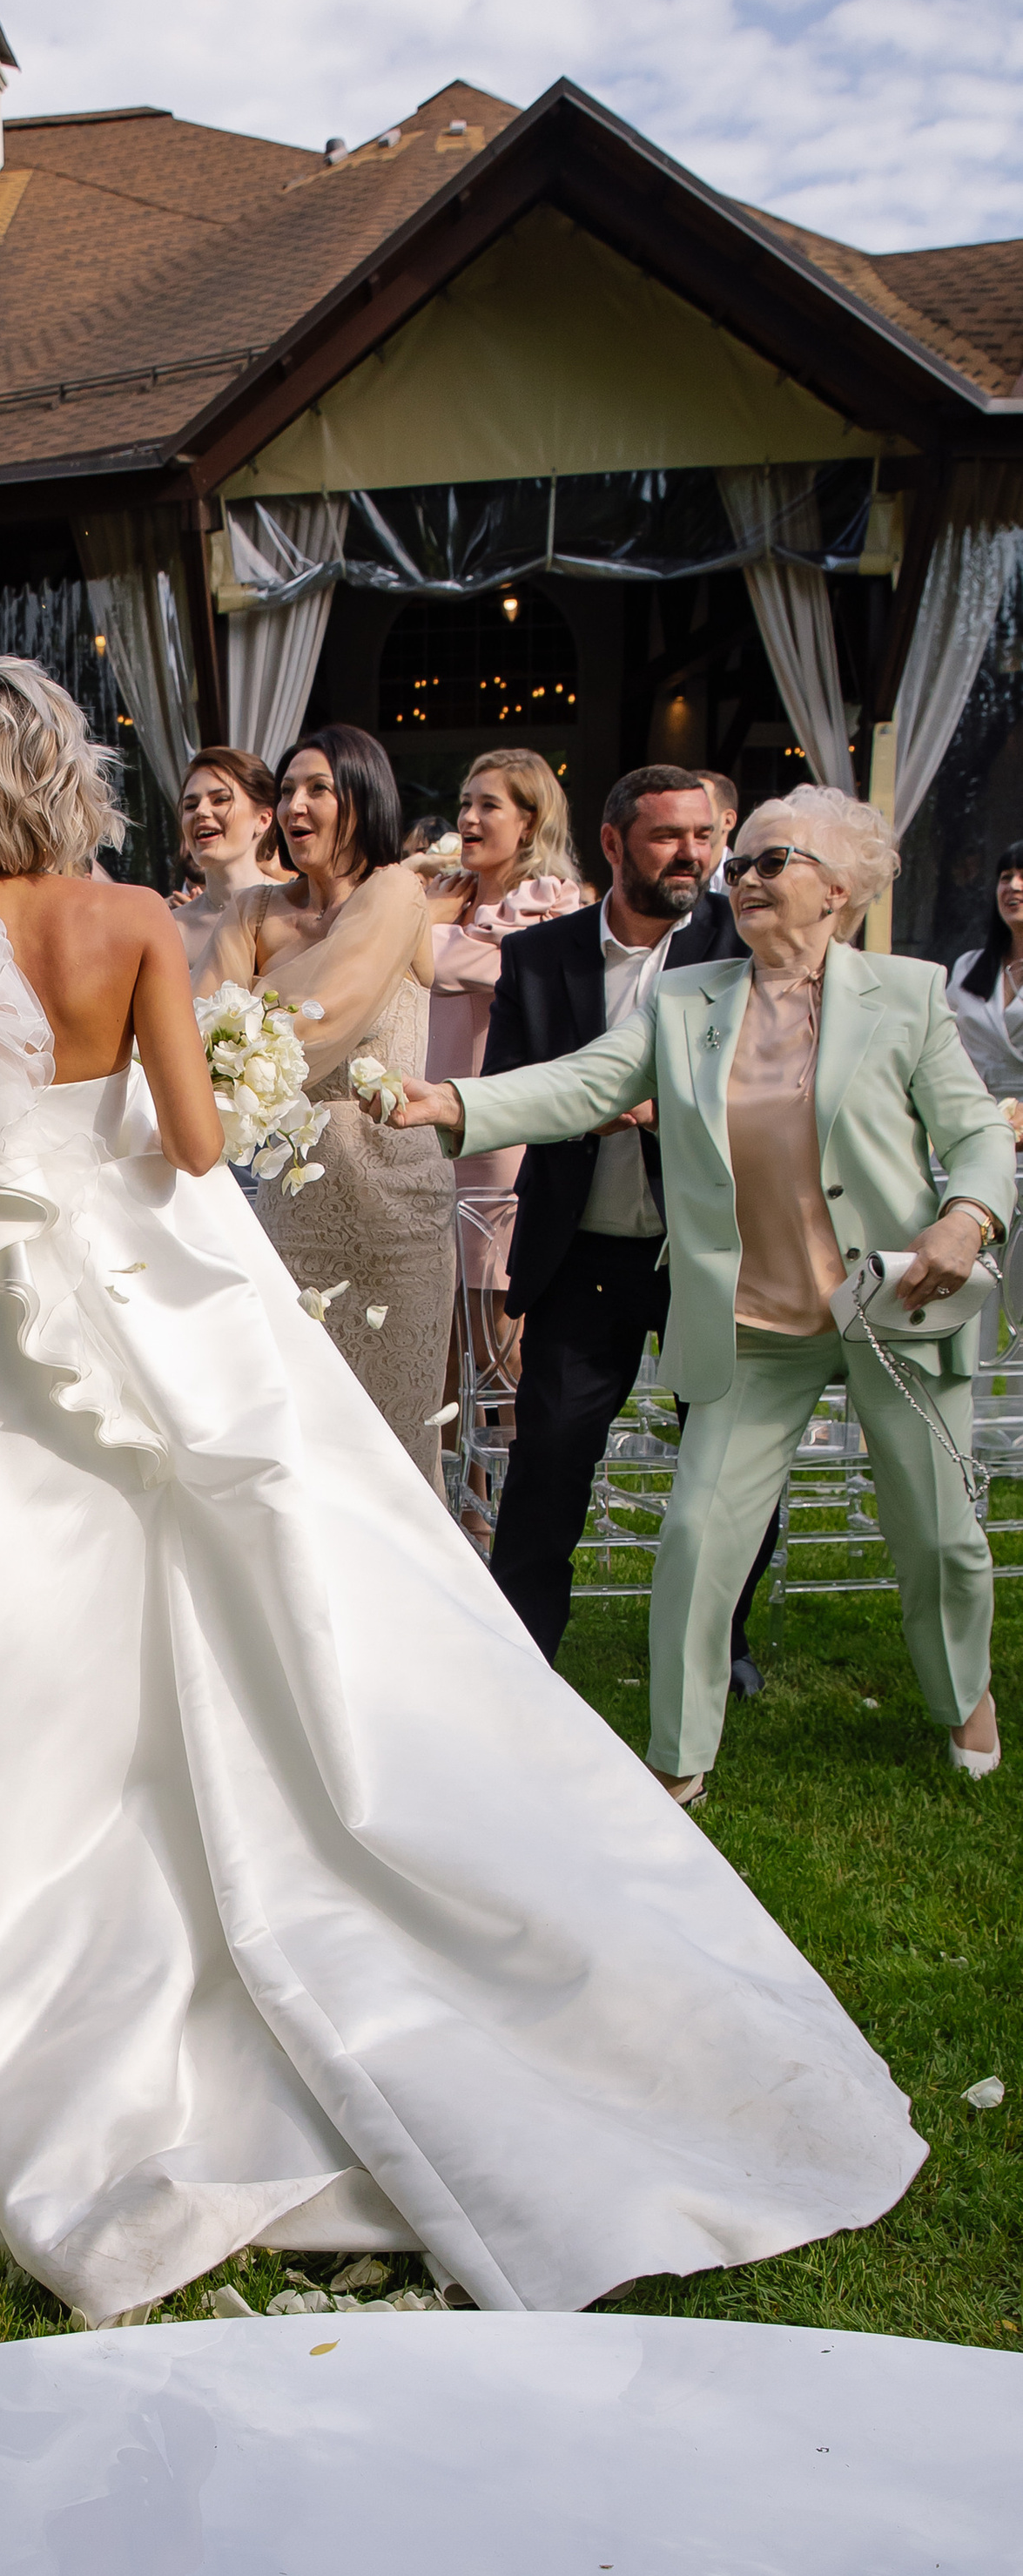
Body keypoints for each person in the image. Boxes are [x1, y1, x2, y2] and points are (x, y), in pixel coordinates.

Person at [0, 657, 924, 2325]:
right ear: (67, 776)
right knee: (220, 1596)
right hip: (140, 1287)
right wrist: (214, 1062)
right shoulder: (131, 930)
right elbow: (182, 1143)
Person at [394, 786, 1014, 1798]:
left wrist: (967, 1216)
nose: (745, 876)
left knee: (937, 1534)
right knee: (693, 1536)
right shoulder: (690, 999)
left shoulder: (904, 994)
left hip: (888, 1307)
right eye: (746, 862)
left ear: (838, 890)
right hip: (754, 1324)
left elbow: (977, 1131)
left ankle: (961, 1696)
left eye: (773, 861)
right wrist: (456, 1101)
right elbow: (585, 1082)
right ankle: (678, 1759)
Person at [471, 763, 772, 1675]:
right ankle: (523, 1655)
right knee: (549, 1462)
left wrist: (660, 1107)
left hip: (708, 1255)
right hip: (580, 1253)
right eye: (666, 837)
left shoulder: (745, 948)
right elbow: (511, 1090)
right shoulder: (539, 956)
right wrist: (580, 1102)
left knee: (727, 1467)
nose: (692, 855)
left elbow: (770, 1091)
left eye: (704, 836)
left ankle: (725, 1643)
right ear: (612, 844)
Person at [214, 725, 455, 1486]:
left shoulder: (397, 891)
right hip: (290, 1209)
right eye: (286, 790)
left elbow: (327, 1016)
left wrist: (245, 1002)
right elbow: (201, 1040)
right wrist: (228, 1019)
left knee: (396, 1445)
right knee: (300, 1443)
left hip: (397, 1212)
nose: (296, 805)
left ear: (363, 797)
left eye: (318, 788)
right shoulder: (252, 910)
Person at [423, 751, 587, 1332]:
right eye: (465, 803)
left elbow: (446, 965)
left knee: (499, 1335)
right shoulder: (446, 895)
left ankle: (509, 1430)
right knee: (433, 1333)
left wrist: (420, 927)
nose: (468, 818)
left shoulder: (550, 900)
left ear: (530, 821)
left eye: (488, 805)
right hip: (424, 1135)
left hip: (498, 1141)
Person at [171, 745, 278, 987]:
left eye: (220, 799)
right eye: (190, 805)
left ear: (263, 819)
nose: (201, 812)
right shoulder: (172, 928)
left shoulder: (295, 912)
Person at [946, 839, 1023, 1099]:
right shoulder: (968, 967)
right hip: (975, 1119)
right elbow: (940, 1046)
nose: (1013, 886)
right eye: (1006, 877)